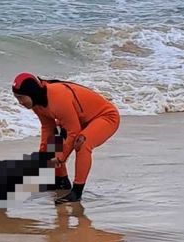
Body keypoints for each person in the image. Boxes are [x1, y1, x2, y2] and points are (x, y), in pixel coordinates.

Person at [11, 73, 120, 203]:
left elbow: (73, 132)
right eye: (17, 98)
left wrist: (61, 157)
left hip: (106, 117)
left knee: (82, 142)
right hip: (80, 120)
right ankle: (61, 181)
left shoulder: (58, 98)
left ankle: (77, 192)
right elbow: (47, 127)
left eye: (21, 98)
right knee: (55, 138)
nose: (20, 103)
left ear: (32, 93)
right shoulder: (37, 102)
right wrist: (43, 153)